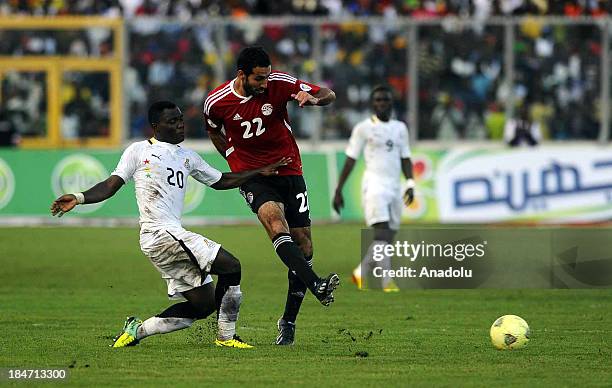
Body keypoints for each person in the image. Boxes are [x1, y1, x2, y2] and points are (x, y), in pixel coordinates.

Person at [51, 101, 289, 349]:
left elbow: (221, 180)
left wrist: (259, 171)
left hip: (167, 237)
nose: (180, 125)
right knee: (231, 266)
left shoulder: (188, 157)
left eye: (181, 119)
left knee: (204, 305)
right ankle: (226, 337)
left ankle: (137, 330)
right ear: (156, 126)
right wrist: (79, 198)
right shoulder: (138, 150)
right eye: (172, 121)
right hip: (160, 232)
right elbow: (110, 185)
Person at [204, 46, 339, 346]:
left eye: (266, 77)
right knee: (275, 224)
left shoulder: (279, 83)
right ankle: (315, 283)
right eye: (258, 79)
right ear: (242, 75)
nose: (265, 84)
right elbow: (214, 130)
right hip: (255, 176)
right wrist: (237, 163)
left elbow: (328, 93)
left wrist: (313, 99)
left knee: (303, 245)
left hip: (289, 168)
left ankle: (288, 320)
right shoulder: (217, 102)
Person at [333, 85, 415, 291]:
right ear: (372, 104)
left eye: (385, 100)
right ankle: (387, 282)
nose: (381, 103)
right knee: (383, 233)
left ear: (391, 103)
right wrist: (338, 189)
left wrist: (411, 183)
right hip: (374, 186)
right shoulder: (363, 128)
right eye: (377, 100)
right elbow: (351, 158)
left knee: (388, 236)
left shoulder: (400, 128)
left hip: (395, 186)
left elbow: (406, 158)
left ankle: (360, 273)